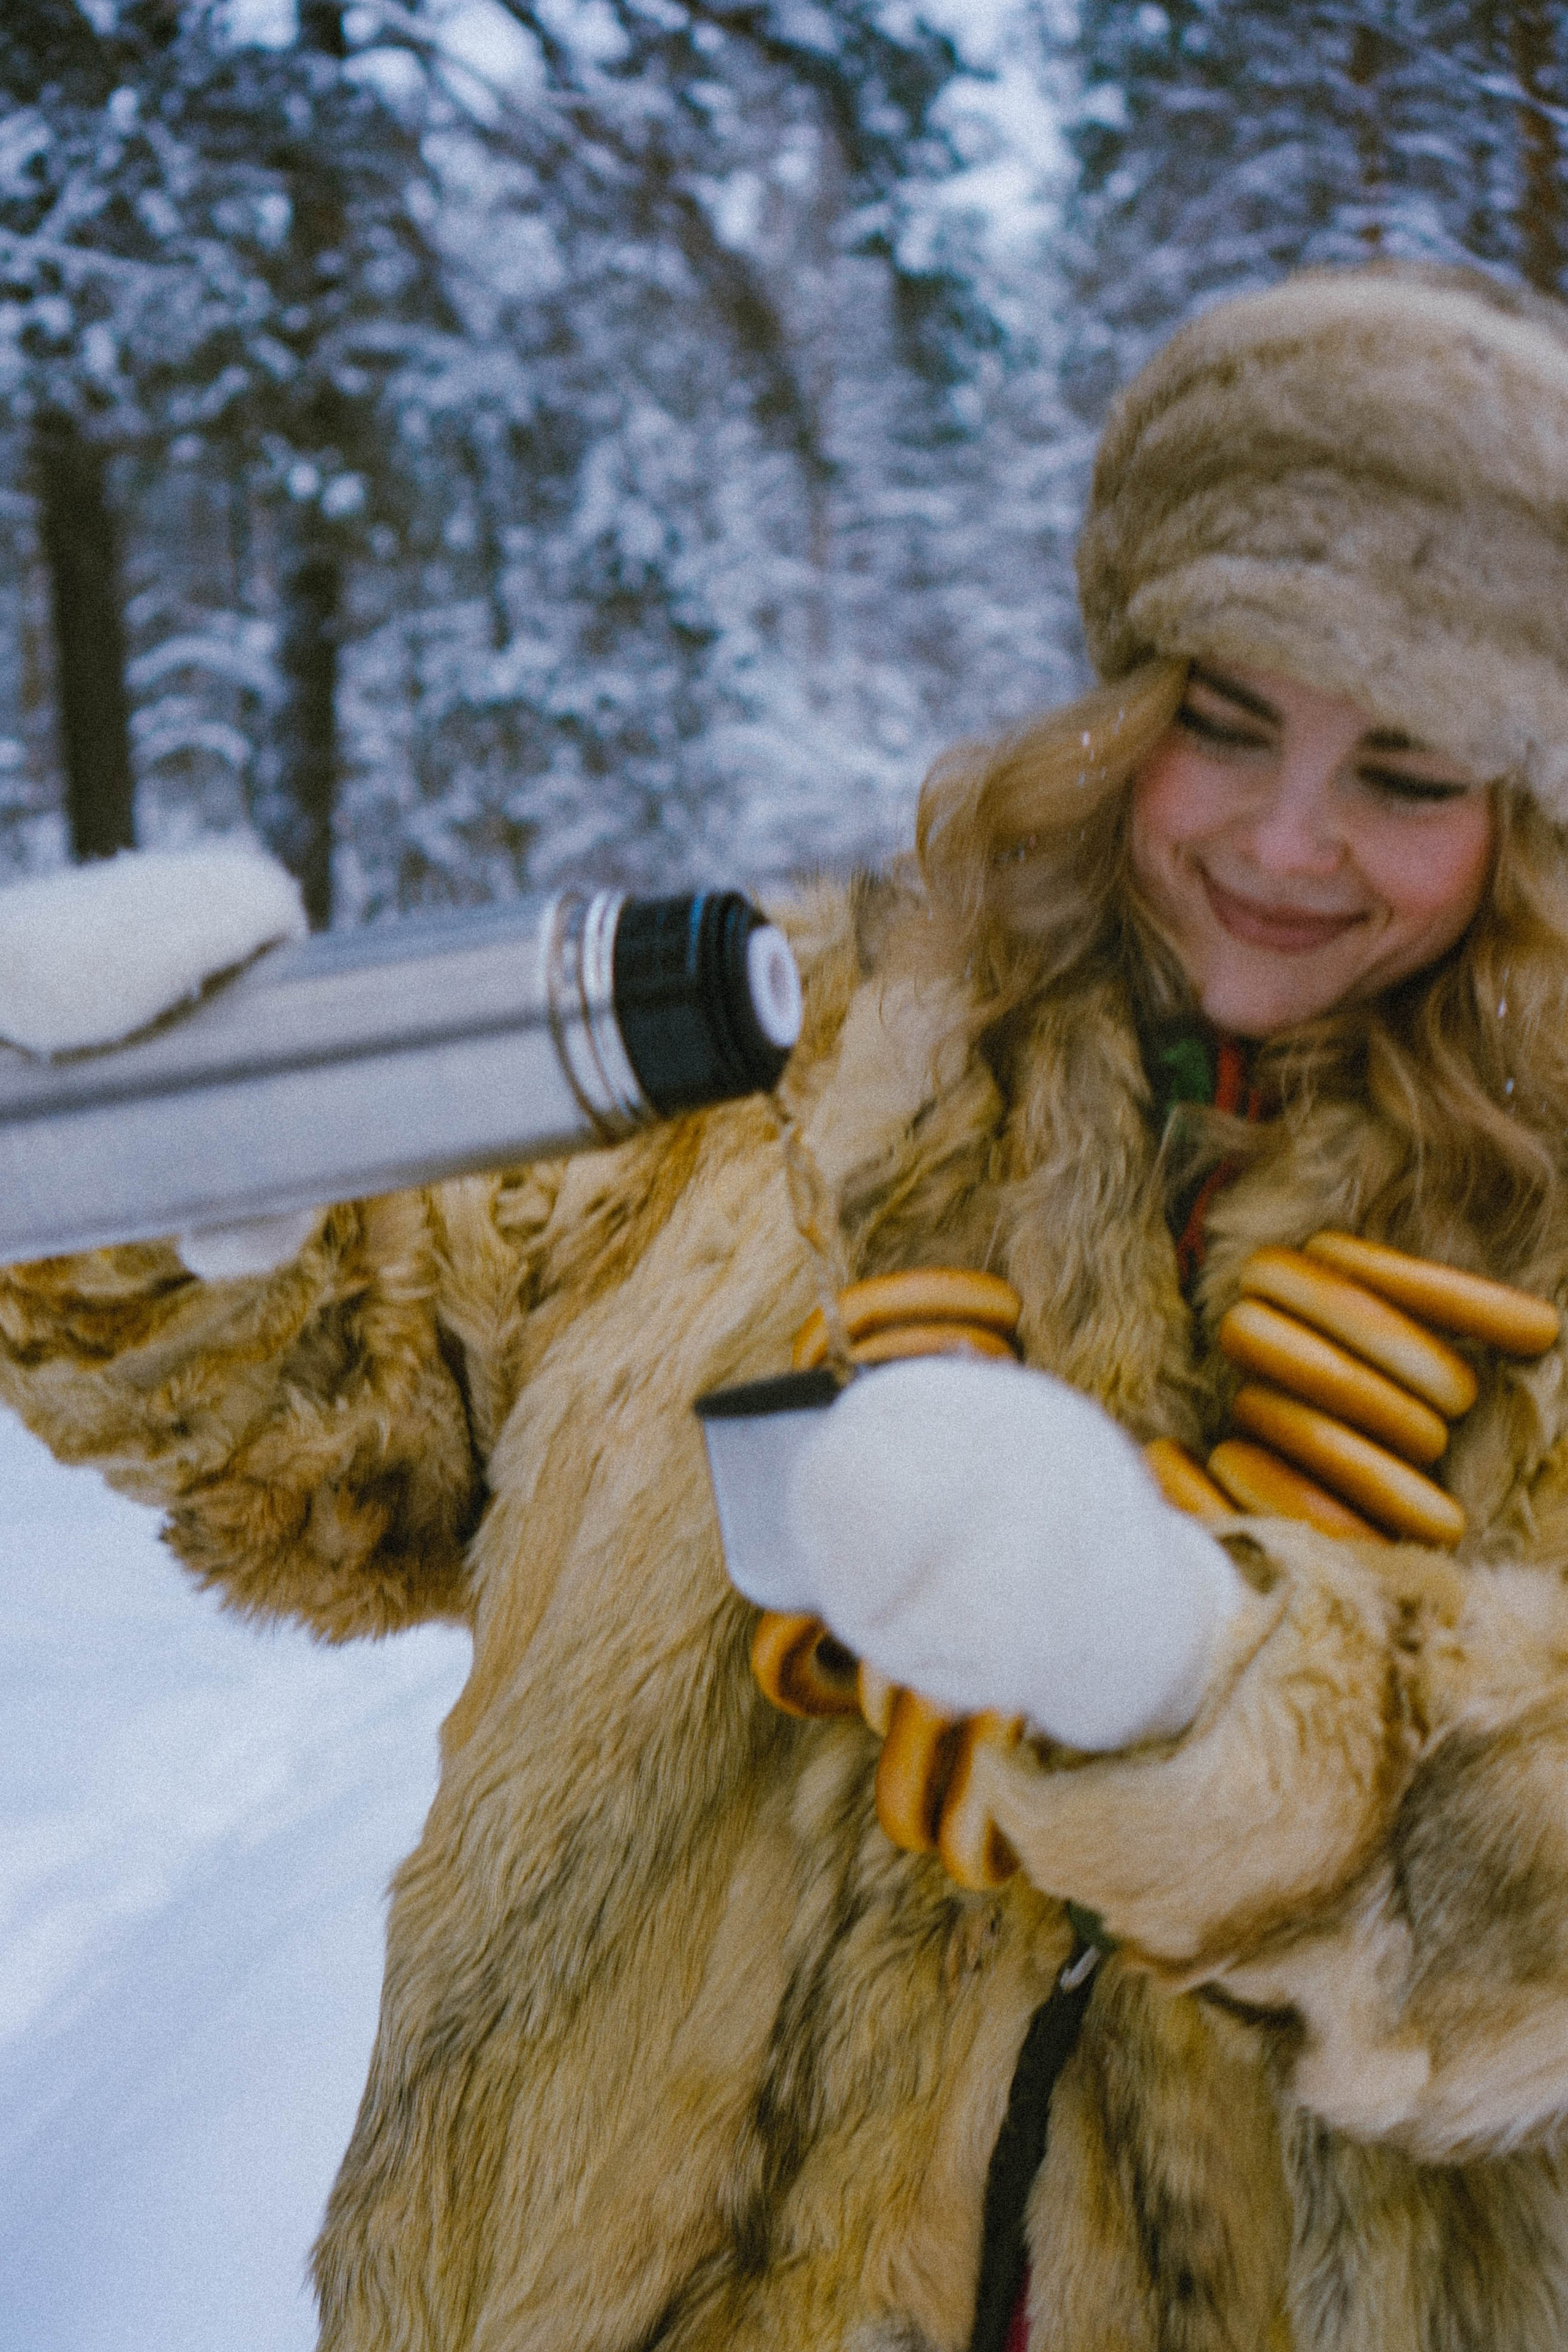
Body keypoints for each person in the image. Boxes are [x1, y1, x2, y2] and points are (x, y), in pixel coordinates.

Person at [5, 259, 1568, 2351]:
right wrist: (133, 1174)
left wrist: (1193, 1672)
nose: (1289, 842)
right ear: (1117, 704)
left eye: (1404, 769)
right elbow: (343, 1440)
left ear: (1523, 807)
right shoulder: (782, 1077)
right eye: (1223, 721)